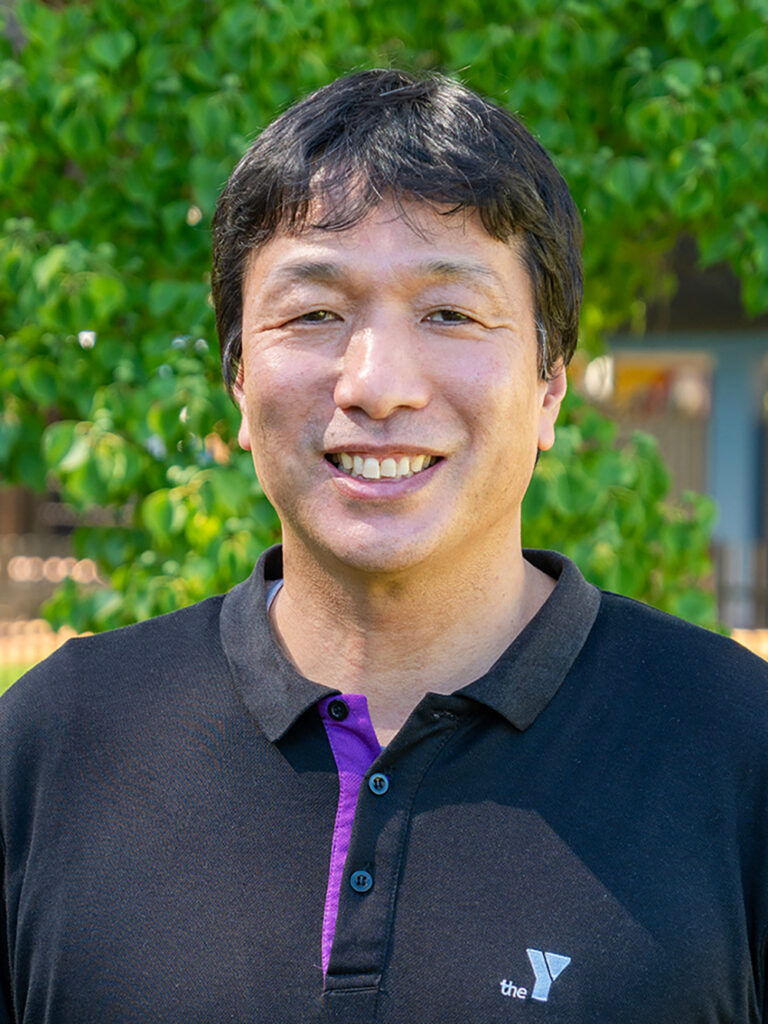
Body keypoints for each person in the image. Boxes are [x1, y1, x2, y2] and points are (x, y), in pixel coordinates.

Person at [1, 69, 766, 1024]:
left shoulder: (738, 747)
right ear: (238, 380)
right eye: (315, 313)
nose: (378, 383)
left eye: (450, 312)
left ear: (551, 386)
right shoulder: (54, 745)